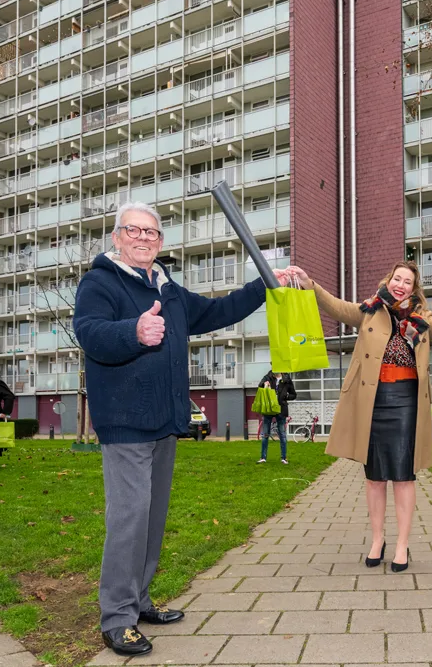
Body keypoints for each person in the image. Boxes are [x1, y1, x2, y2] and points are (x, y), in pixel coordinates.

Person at [73, 201, 293, 658]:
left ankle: (139, 600)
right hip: (126, 421)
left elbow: (217, 311)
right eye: (134, 230)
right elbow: (90, 333)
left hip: (164, 421)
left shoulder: (167, 288)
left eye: (151, 232)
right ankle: (117, 618)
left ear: (161, 242)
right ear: (116, 237)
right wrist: (134, 331)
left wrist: (266, 283)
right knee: (129, 518)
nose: (143, 238)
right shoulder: (100, 282)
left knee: (152, 519)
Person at [285, 263, 432, 573]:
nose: (401, 285)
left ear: (414, 288)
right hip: (372, 400)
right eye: (397, 278)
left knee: (403, 475)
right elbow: (336, 306)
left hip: (406, 400)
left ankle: (402, 544)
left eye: (408, 281)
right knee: (374, 476)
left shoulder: (421, 319)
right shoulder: (370, 310)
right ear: (389, 281)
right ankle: (377, 540)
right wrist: (309, 283)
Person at [257, 370, 296, 464]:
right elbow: (260, 386)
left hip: (281, 409)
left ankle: (284, 458)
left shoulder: (287, 379)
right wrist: (264, 384)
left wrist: (285, 396)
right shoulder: (268, 376)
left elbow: (293, 395)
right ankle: (263, 458)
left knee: (282, 434)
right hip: (269, 409)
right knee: (265, 434)